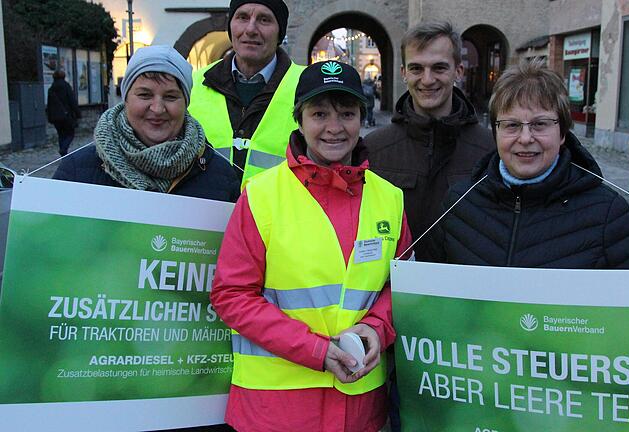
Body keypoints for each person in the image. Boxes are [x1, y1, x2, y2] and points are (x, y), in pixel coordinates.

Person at [210, 60, 412, 432]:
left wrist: (377, 327)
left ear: (362, 119)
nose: (334, 128)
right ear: (299, 119)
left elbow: (402, 287)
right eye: (319, 114)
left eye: (347, 114)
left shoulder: (390, 199)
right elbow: (232, 295)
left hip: (359, 409)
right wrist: (315, 350)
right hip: (275, 411)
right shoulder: (261, 196)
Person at [428, 60, 629, 269]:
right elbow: (430, 292)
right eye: (512, 125)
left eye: (540, 124)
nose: (526, 138)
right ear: (495, 132)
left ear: (562, 133)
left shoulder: (608, 213)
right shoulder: (459, 204)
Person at [365, 21, 494, 261]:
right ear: (403, 73)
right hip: (394, 291)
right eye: (416, 68)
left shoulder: (491, 150)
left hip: (468, 292)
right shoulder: (374, 149)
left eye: (439, 68)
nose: (427, 79)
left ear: (459, 71)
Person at [54, 45, 239, 203]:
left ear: (186, 103)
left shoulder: (221, 177)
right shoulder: (76, 171)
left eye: (170, 97)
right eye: (144, 95)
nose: (157, 108)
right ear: (126, 99)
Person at [188, 0, 305, 188]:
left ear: (279, 33)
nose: (250, 29)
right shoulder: (194, 83)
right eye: (242, 17)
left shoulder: (305, 87)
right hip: (206, 214)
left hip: (274, 215)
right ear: (230, 26)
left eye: (264, 20)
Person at [46, 69, 81, 156]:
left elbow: (49, 104)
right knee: (70, 133)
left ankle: (63, 152)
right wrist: (78, 113)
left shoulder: (51, 89)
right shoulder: (66, 86)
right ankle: (64, 149)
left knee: (61, 134)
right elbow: (72, 101)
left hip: (55, 117)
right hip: (66, 115)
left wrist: (49, 117)